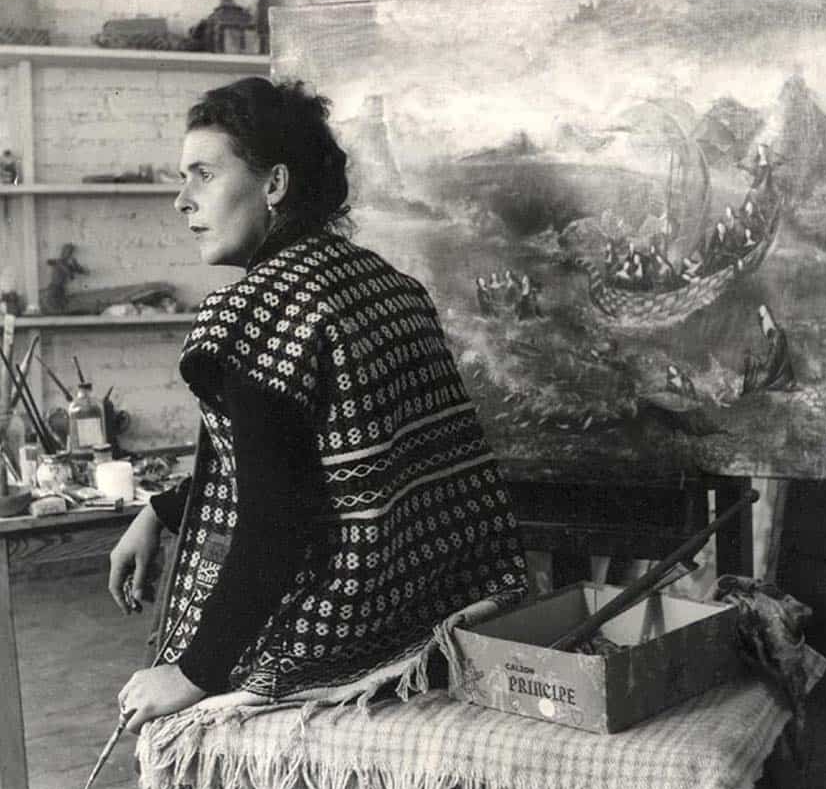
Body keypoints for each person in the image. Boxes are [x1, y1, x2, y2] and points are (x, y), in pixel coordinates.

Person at [108, 78, 527, 750]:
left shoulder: (255, 314)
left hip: (337, 635)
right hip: (432, 609)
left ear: (274, 185)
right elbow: (320, 464)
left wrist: (191, 673)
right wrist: (160, 510)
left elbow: (277, 520)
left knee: (167, 702)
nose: (182, 201)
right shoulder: (389, 287)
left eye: (204, 175)